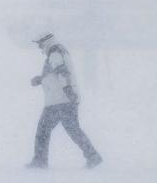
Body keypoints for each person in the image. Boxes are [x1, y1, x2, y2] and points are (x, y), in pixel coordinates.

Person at [26, 33, 102, 169]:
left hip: (60, 101)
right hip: (62, 100)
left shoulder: (55, 52)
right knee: (73, 130)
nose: (39, 47)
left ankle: (40, 161)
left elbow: (63, 72)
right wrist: (40, 79)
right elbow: (54, 74)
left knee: (43, 131)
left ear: (46, 41)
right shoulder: (56, 52)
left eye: (39, 43)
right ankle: (93, 156)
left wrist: (68, 91)